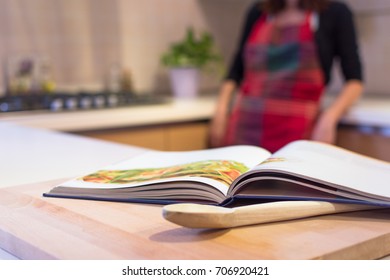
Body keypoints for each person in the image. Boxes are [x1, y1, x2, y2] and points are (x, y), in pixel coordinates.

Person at [210, 0, 363, 152]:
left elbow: (355, 81)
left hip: (298, 132)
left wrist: (330, 117)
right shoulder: (258, 12)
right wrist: (221, 110)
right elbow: (235, 71)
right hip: (245, 127)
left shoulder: (334, 13)